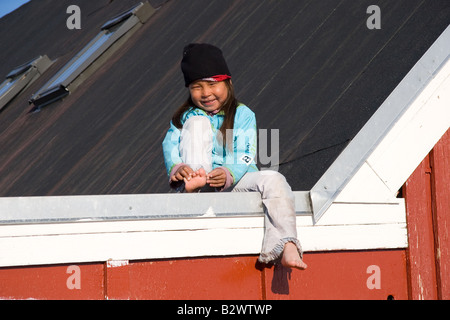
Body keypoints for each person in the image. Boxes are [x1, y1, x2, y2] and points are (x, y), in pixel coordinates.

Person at [162, 43, 307, 270]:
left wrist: (228, 172)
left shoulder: (243, 114)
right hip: (200, 178)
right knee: (197, 123)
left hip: (235, 179)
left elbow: (246, 152)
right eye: (196, 87)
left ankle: (285, 243)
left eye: (212, 84)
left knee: (274, 179)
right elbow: (170, 144)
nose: (206, 93)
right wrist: (178, 167)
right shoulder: (186, 117)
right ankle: (194, 180)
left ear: (227, 82)